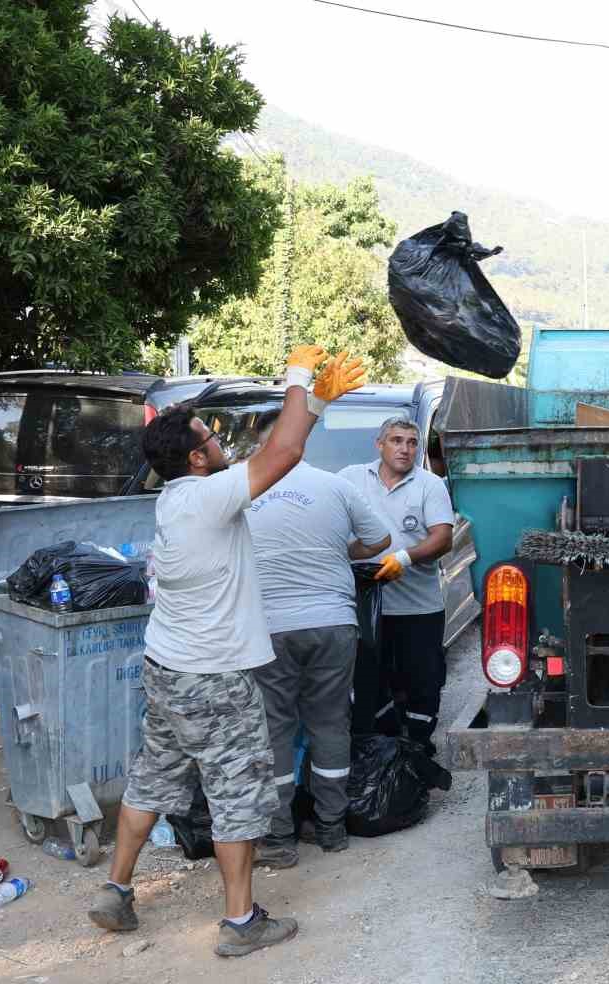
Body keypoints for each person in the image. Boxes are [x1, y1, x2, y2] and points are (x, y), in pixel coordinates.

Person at [86, 346, 366, 957]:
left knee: (152, 778)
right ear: (194, 457)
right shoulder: (206, 498)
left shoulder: (178, 499)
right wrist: (296, 376)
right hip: (212, 679)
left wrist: (316, 403)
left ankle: (115, 889)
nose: (220, 443)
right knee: (237, 794)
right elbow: (281, 454)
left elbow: (269, 457)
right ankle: (241, 923)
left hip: (167, 671)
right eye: (211, 437)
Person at [245, 413, 393, 868]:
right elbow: (381, 539)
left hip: (268, 627)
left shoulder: (241, 489)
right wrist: (336, 551)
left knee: (276, 730)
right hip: (332, 623)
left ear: (262, 444)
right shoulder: (336, 487)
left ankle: (279, 836)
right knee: (329, 723)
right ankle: (331, 829)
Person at [339, 418, 455, 751]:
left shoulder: (429, 486)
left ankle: (418, 752)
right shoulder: (350, 479)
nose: (404, 449)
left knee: (422, 684)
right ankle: (381, 751)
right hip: (365, 610)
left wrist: (403, 559)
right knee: (369, 683)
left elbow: (442, 538)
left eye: (411, 442)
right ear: (379, 445)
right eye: (396, 441)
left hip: (418, 609)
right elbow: (325, 517)